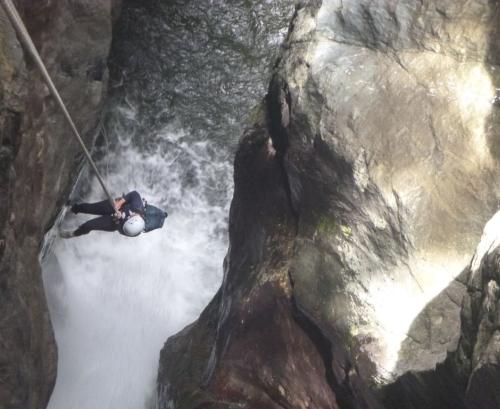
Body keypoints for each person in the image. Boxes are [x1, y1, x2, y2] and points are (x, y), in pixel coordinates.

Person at [62, 190, 151, 238]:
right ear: (134, 216)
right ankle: (72, 209)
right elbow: (133, 194)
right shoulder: (137, 205)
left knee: (89, 226)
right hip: (116, 206)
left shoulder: (130, 230)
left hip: (114, 222)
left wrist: (118, 220)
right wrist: (119, 204)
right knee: (89, 208)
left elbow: (120, 229)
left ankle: (73, 233)